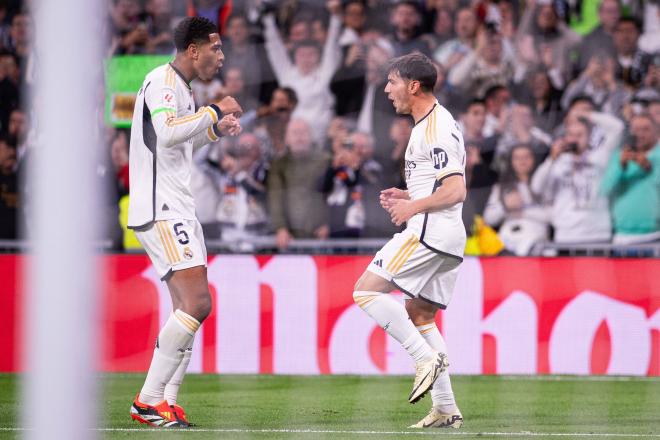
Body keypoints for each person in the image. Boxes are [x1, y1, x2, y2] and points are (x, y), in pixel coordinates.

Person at [127, 16, 243, 428]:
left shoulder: (182, 88)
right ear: (193, 50)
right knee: (197, 303)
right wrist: (214, 109)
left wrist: (214, 129)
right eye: (216, 48)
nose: (221, 55)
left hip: (176, 204)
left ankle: (166, 403)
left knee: (186, 307)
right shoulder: (162, 79)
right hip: (162, 207)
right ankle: (148, 400)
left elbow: (179, 139)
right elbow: (166, 131)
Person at [353, 53, 466, 429]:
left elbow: (456, 189)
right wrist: (408, 194)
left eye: (392, 82)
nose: (387, 89)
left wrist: (413, 207)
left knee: (366, 292)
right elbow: (440, 184)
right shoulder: (429, 124)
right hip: (446, 236)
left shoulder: (434, 128)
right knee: (419, 315)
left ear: (413, 85)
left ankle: (423, 359)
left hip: (430, 232)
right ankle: (446, 408)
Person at [601, 113, 660, 244]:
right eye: (636, 129)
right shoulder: (618, 156)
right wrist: (621, 166)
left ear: (656, 132)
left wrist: (650, 168)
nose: (640, 134)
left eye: (645, 129)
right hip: (622, 235)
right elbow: (604, 189)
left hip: (654, 234)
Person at [483, 144, 549, 255]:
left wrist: (523, 212)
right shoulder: (500, 188)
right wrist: (505, 206)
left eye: (526, 157)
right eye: (517, 158)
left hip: (537, 246)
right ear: (511, 161)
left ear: (534, 159)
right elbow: (489, 219)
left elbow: (553, 216)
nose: (522, 161)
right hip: (508, 247)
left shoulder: (544, 186)